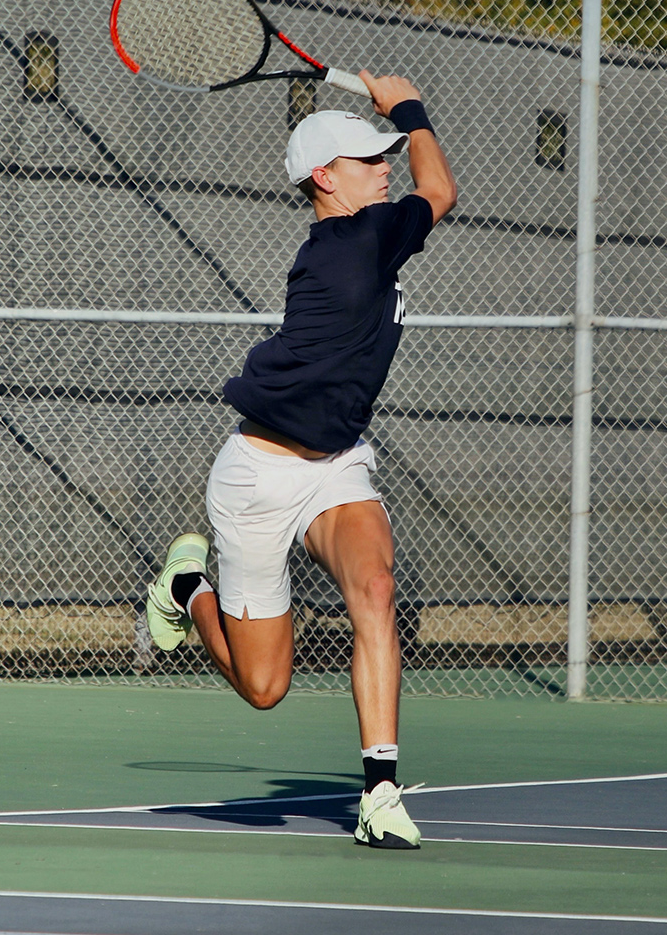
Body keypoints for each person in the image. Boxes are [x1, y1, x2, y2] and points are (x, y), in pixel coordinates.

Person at [144, 72, 457, 850]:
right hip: (259, 476)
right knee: (264, 687)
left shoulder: (365, 235)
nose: (385, 167)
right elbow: (441, 188)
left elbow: (421, 186)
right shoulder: (360, 240)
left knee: (376, 586)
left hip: (338, 464)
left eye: (386, 154)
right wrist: (408, 108)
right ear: (325, 177)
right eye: (367, 159)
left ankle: (380, 792)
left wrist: (390, 120)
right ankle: (187, 588)